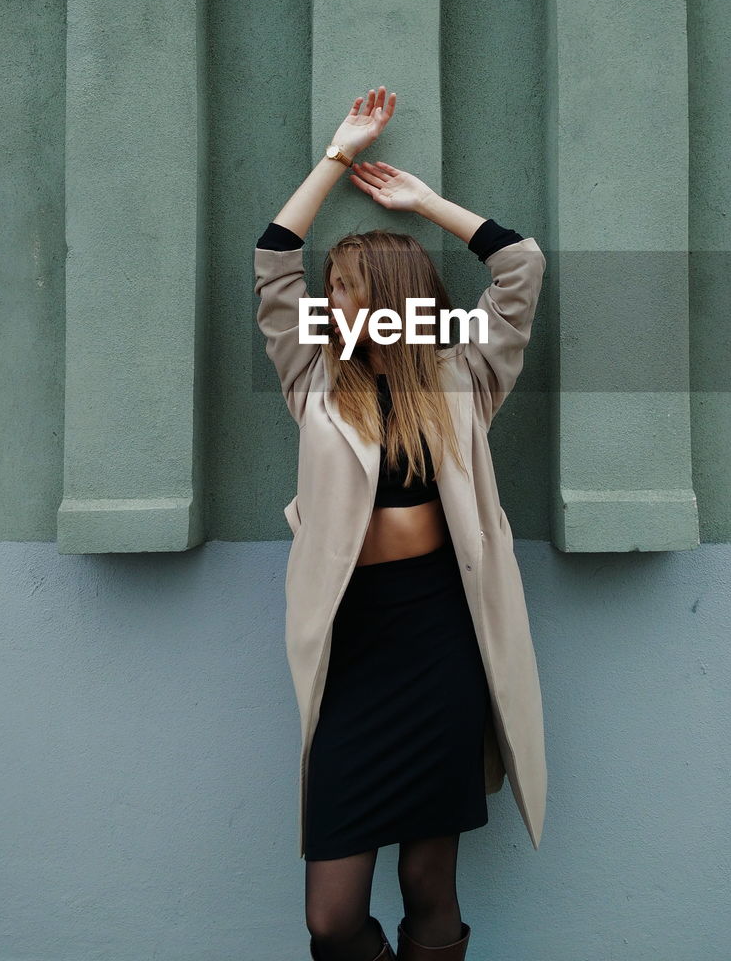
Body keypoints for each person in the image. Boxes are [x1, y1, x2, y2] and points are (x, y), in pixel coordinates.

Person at [254, 86, 547, 961]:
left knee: (429, 888)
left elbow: (521, 266)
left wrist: (425, 204)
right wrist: (339, 156)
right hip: (355, 656)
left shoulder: (462, 381)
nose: (329, 301)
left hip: (444, 648)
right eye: (331, 288)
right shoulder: (313, 382)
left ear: (389, 296)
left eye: (344, 288)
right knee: (332, 917)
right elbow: (273, 260)